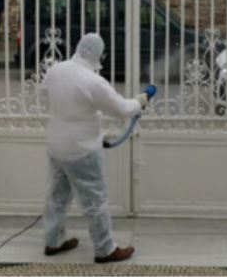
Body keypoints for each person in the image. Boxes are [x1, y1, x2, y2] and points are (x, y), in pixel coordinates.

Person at [40, 33, 149, 263]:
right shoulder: (92, 81)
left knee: (57, 196)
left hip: (56, 145)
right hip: (81, 151)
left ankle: (53, 240)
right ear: (99, 55)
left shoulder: (56, 70)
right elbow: (121, 109)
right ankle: (105, 249)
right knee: (94, 200)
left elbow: (44, 97)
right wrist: (139, 102)